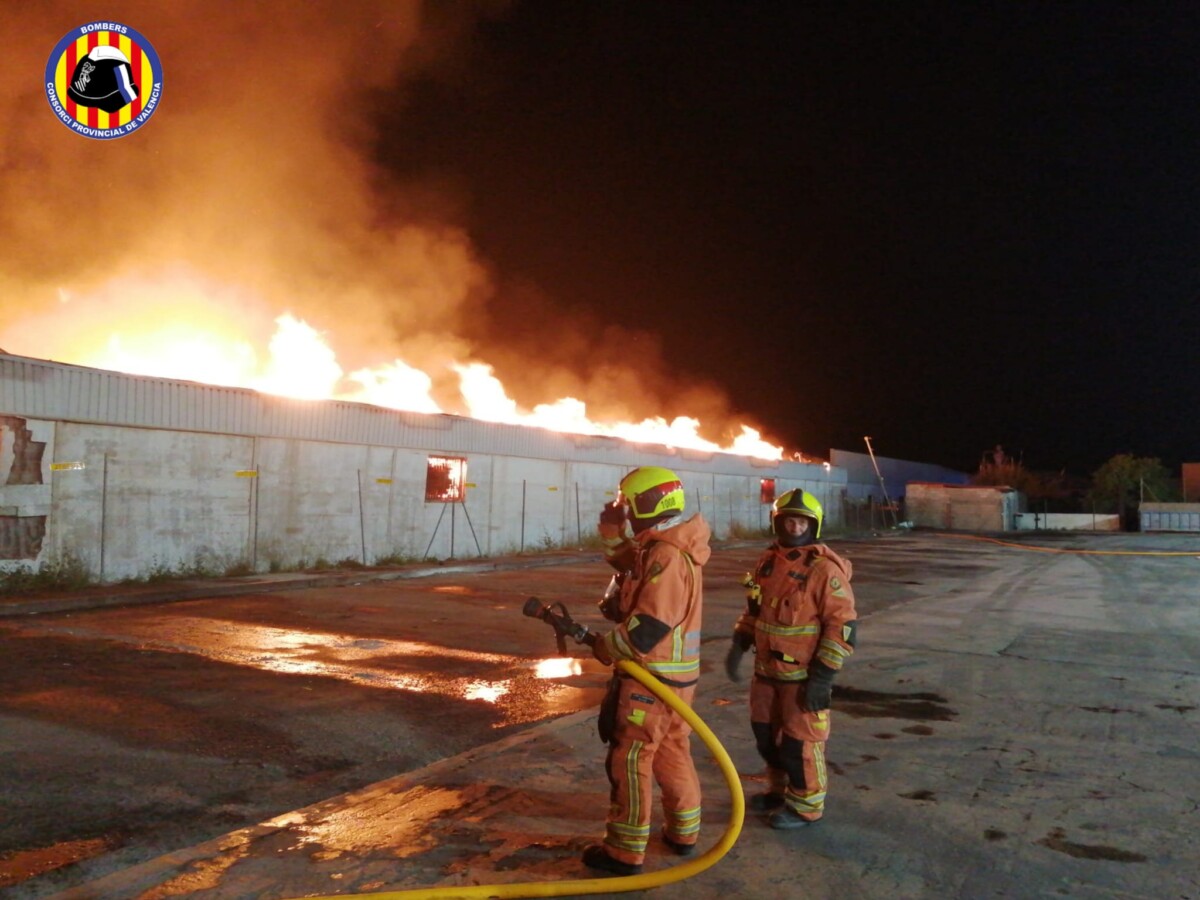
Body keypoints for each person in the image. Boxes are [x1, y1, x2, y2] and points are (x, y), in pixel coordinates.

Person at [582, 465, 711, 875]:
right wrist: (611, 533)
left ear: (647, 503)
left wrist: (606, 646)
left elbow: (649, 625)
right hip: (671, 679)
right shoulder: (663, 547)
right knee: (670, 751)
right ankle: (683, 833)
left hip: (651, 679)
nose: (625, 511)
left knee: (631, 757)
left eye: (628, 504)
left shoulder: (668, 555)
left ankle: (623, 853)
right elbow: (630, 567)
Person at [724, 488, 857, 829]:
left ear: (813, 526)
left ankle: (806, 806)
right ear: (777, 523)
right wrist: (740, 641)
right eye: (788, 520)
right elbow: (756, 608)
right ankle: (778, 792)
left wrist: (823, 679)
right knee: (766, 738)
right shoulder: (767, 562)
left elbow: (841, 626)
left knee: (799, 745)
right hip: (767, 673)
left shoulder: (825, 570)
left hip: (803, 678)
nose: (794, 527)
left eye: (801, 521)